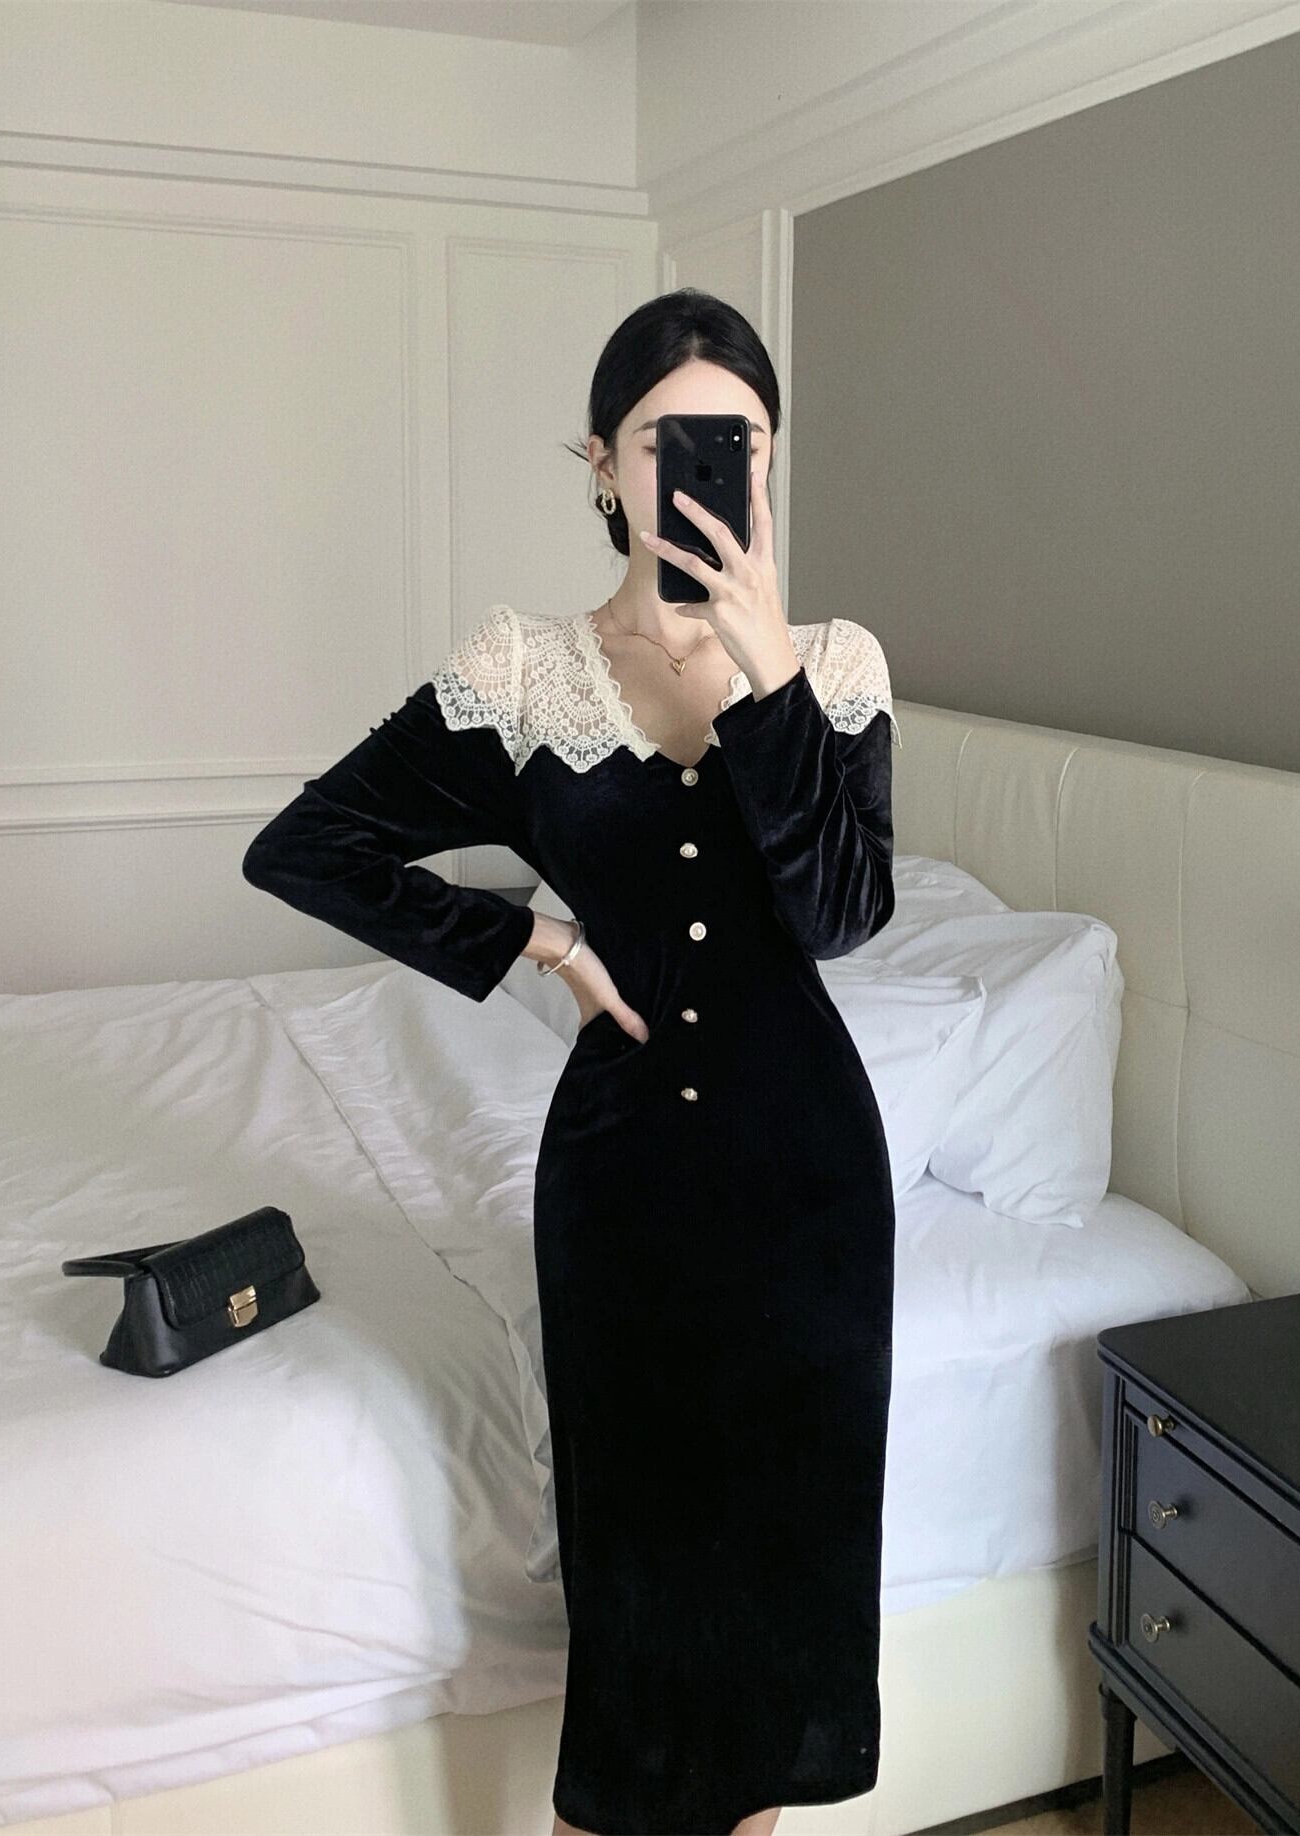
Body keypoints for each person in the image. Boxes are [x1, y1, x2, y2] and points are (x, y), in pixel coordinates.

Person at [242, 288, 899, 1836]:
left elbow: (843, 914)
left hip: (810, 1184)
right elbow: (308, 849)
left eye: (739, 438)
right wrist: (528, 939)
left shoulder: (835, 664)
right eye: (669, 438)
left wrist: (767, 677)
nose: (707, 463)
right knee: (641, 1585)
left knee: (778, 1596)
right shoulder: (528, 669)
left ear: (771, 459)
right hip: (624, 1180)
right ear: (603, 462)